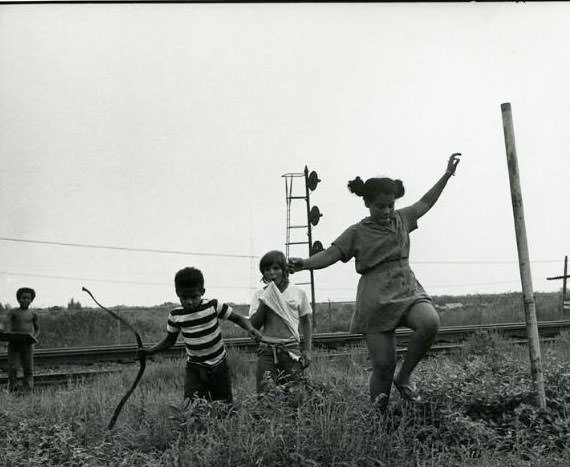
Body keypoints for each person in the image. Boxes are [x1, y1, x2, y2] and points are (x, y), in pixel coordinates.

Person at [289, 152, 461, 410]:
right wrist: (303, 263)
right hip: (375, 295)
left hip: (406, 286)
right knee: (383, 365)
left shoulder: (402, 218)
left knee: (430, 322)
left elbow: (427, 201)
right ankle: (379, 420)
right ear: (368, 203)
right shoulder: (357, 232)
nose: (387, 210)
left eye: (391, 204)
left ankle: (404, 377)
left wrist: (447, 174)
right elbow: (330, 255)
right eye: (381, 206)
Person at [141, 267, 261, 405]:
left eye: (193, 296)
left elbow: (238, 318)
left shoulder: (213, 306)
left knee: (224, 405)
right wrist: (150, 351)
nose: (189, 301)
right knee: (192, 406)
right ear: (177, 293)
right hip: (195, 368)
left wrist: (250, 328)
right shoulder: (175, 315)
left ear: (202, 292)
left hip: (219, 365)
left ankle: (222, 424)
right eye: (184, 297)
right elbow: (170, 340)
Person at [249, 250, 313, 393]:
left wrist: (307, 351)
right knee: (265, 395)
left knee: (296, 394)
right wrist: (266, 300)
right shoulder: (260, 295)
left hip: (290, 350)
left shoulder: (298, 292)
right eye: (267, 269)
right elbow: (254, 325)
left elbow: (306, 322)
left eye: (276, 268)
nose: (271, 273)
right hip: (267, 351)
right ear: (263, 273)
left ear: (284, 270)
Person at [4, 287, 40, 392]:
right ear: (18, 299)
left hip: (27, 344)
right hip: (14, 343)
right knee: (13, 368)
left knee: (28, 368)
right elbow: (5, 322)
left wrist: (34, 338)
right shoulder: (13, 312)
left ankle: (28, 389)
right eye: (23, 298)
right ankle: (13, 389)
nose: (25, 300)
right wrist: (1, 329)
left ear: (31, 300)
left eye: (28, 298)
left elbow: (37, 329)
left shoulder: (33, 314)